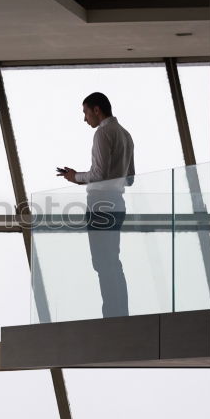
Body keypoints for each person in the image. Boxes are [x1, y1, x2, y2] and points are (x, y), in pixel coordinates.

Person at [57, 92, 135, 318]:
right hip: (118, 203)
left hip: (100, 204)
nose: (85, 119)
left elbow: (99, 174)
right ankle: (121, 313)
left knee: (102, 263)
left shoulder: (102, 134)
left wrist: (76, 177)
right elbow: (130, 178)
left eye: (85, 112)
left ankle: (112, 316)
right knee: (113, 261)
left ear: (97, 110)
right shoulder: (126, 135)